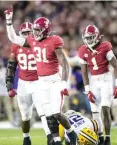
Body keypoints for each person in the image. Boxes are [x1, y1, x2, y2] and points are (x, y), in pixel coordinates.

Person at [5, 6, 77, 145]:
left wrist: (63, 84)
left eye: (38, 30)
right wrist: (8, 21)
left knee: (56, 113)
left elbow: (65, 64)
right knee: (48, 115)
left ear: (45, 30)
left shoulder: (54, 41)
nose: (35, 32)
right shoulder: (32, 41)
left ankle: (70, 131)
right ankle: (56, 140)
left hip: (54, 81)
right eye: (35, 30)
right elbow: (13, 38)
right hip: (41, 82)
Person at [6, 22, 53, 145]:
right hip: (23, 84)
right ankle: (26, 137)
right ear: (20, 34)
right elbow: (11, 65)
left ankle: (49, 137)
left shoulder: (39, 44)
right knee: (25, 116)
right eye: (24, 33)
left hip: (38, 82)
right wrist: (9, 84)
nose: (27, 36)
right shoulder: (16, 46)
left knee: (43, 112)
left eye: (29, 33)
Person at [78, 25, 117, 145]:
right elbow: (84, 72)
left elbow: (116, 66)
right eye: (87, 38)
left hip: (106, 78)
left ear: (97, 37)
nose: (89, 40)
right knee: (95, 112)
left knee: (105, 108)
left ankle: (107, 138)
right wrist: (87, 90)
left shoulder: (105, 46)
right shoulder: (82, 50)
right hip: (93, 81)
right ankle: (100, 137)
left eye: (91, 37)